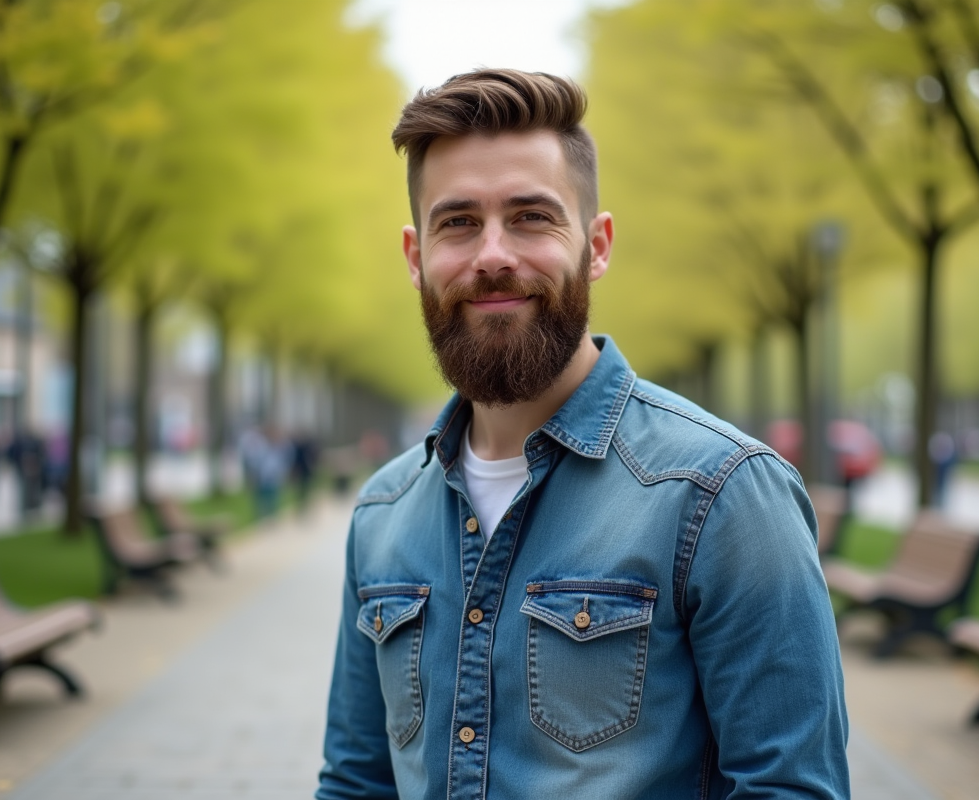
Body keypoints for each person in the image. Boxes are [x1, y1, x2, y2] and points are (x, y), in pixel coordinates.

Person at [317, 69, 848, 800]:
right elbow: (355, 784)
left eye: (532, 217)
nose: (493, 254)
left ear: (596, 245)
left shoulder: (722, 495)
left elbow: (793, 789)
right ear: (416, 257)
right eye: (459, 222)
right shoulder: (382, 511)